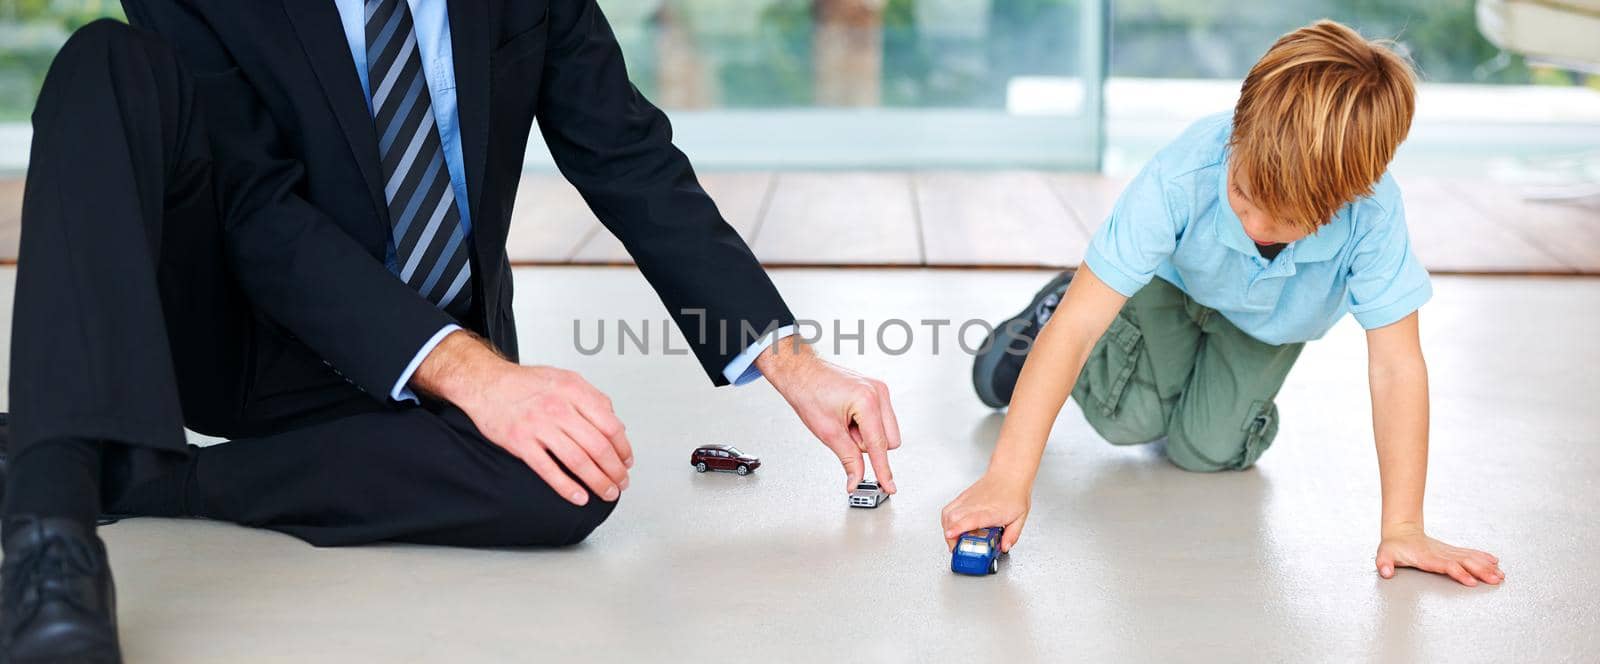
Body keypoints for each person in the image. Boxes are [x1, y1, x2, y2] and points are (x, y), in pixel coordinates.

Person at [0, 1, 901, 660]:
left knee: (570, 480)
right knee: (102, 61)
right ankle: (51, 524)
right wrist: (478, 377)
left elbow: (626, 154)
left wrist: (791, 361)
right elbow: (255, 211)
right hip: (239, 327)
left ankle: (155, 477)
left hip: (423, 356)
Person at [948, 20, 1502, 587]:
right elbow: (1079, 329)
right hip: (1174, 285)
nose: (1254, 223)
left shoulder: (1374, 215)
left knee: (1207, 450)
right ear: (1238, 131)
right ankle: (1060, 298)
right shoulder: (1183, 172)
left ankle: (1187, 387)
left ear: (1348, 197)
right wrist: (1008, 477)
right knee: (1127, 420)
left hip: (1267, 324)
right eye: (1241, 192)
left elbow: (1396, 365)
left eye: (1285, 221)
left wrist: (1404, 525)